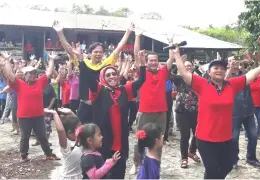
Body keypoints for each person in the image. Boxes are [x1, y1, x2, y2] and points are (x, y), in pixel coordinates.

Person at [173, 44, 260, 179]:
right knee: (212, 170)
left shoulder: (232, 85)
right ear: (209, 72)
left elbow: (250, 75)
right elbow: (184, 73)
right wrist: (177, 55)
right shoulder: (202, 84)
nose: (219, 70)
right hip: (205, 138)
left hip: (226, 137)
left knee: (228, 165)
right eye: (216, 68)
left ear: (226, 71)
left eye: (222, 68)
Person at [53, 20, 134, 124]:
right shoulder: (83, 63)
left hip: (101, 105)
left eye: (100, 52)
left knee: (99, 133)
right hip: (85, 104)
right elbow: (69, 50)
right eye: (95, 52)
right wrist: (60, 32)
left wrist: (128, 32)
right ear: (90, 53)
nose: (98, 54)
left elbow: (118, 48)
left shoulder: (106, 63)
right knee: (81, 132)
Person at [84, 50, 146, 179]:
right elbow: (88, 78)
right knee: (103, 174)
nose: (112, 77)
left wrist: (142, 63)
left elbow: (142, 80)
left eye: (114, 74)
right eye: (108, 75)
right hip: (103, 141)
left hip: (121, 141)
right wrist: (83, 60)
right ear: (103, 78)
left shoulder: (125, 89)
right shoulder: (99, 90)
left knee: (119, 173)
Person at [0, 51, 59, 162]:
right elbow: (9, 75)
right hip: (24, 117)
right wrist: (7, 60)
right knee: (24, 137)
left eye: (34, 73)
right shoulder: (19, 84)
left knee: (42, 136)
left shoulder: (39, 82)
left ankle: (49, 154)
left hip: (38, 115)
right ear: (25, 75)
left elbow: (49, 72)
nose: (32, 75)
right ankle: (24, 156)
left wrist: (51, 59)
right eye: (29, 73)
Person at [130, 30, 174, 174]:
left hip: (161, 112)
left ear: (158, 62)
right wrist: (137, 35)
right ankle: (136, 164)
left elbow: (171, 58)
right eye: (151, 60)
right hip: (145, 111)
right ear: (147, 62)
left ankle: (156, 162)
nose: (154, 62)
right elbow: (137, 54)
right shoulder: (142, 72)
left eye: (156, 60)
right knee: (141, 139)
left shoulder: (163, 72)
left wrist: (171, 44)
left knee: (158, 140)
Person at [226, 57, 260, 168]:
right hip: (234, 113)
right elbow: (223, 83)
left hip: (248, 111)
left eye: (236, 60)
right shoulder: (226, 74)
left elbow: (256, 71)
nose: (235, 62)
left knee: (253, 136)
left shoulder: (245, 73)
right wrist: (230, 70)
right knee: (234, 138)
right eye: (232, 60)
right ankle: (233, 160)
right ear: (228, 63)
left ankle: (251, 158)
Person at [173, 58, 201, 168]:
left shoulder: (197, 78)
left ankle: (192, 151)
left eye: (190, 65)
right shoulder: (179, 79)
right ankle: (184, 158)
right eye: (186, 66)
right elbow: (170, 74)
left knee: (198, 134)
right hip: (181, 111)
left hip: (196, 111)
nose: (188, 67)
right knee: (185, 136)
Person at [44, 108, 83, 179]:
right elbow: (60, 130)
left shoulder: (80, 139)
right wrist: (54, 114)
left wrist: (71, 112)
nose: (81, 130)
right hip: (68, 177)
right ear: (70, 133)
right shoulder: (66, 146)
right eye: (79, 129)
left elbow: (78, 123)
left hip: (79, 175)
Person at [33, 70, 57, 146]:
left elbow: (53, 97)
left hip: (46, 108)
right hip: (36, 109)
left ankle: (46, 141)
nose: (41, 77)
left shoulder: (49, 86)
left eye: (43, 75)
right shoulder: (34, 85)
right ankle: (37, 141)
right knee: (36, 126)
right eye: (40, 75)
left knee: (47, 126)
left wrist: (49, 107)